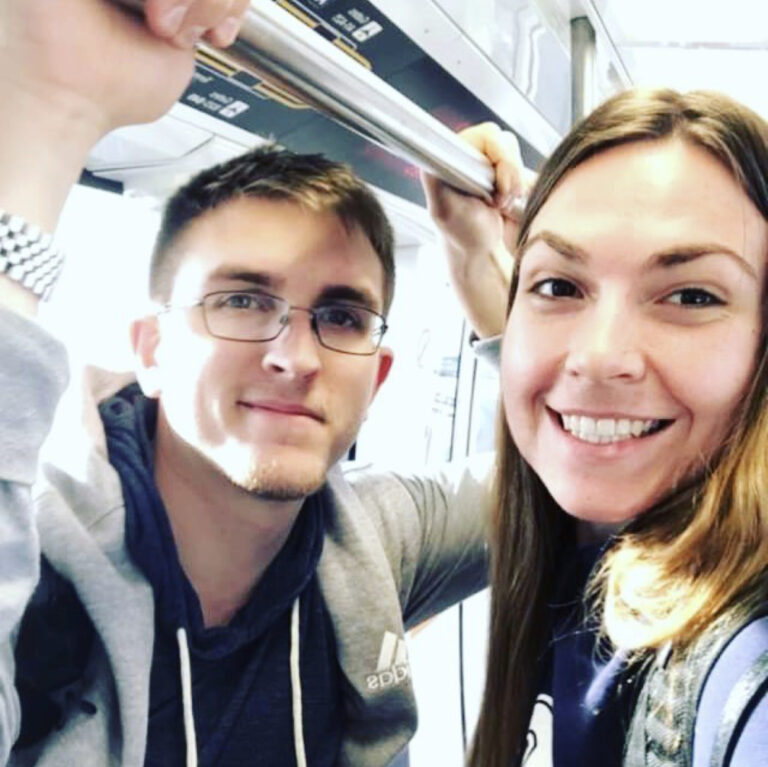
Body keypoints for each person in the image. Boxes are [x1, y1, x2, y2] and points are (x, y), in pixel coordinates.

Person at [0, 1, 518, 766]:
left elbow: (566, 478)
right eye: (242, 300)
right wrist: (51, 109)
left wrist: (481, 264)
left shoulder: (381, 535)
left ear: (375, 379)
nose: (295, 355)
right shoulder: (42, 559)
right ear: (152, 350)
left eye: (341, 316)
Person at [427, 91, 768, 766]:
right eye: (559, 286)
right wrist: (472, 250)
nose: (597, 356)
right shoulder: (583, 520)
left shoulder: (744, 667)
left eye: (692, 295)